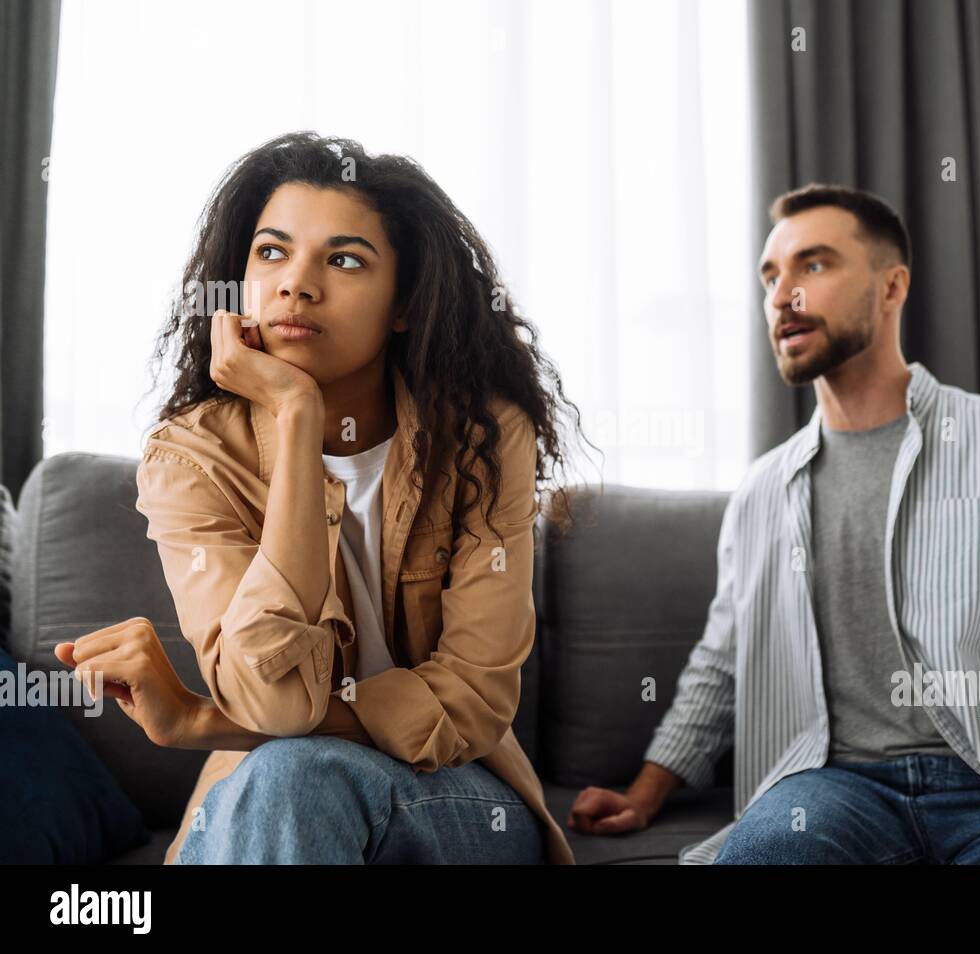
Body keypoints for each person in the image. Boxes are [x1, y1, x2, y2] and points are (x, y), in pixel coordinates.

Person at [567, 183, 980, 866]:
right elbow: (723, 664)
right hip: (831, 788)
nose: (781, 295)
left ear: (892, 287)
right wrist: (646, 792)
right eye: (771, 275)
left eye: (814, 265)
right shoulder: (763, 491)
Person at [55, 131, 589, 864]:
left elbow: (472, 702)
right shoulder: (192, 456)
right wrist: (297, 417)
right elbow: (276, 700)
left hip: (452, 793)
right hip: (263, 797)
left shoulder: (485, 439)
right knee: (287, 778)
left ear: (403, 304)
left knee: (295, 776)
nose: (296, 283)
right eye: (271, 252)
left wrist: (203, 722)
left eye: (343, 260)